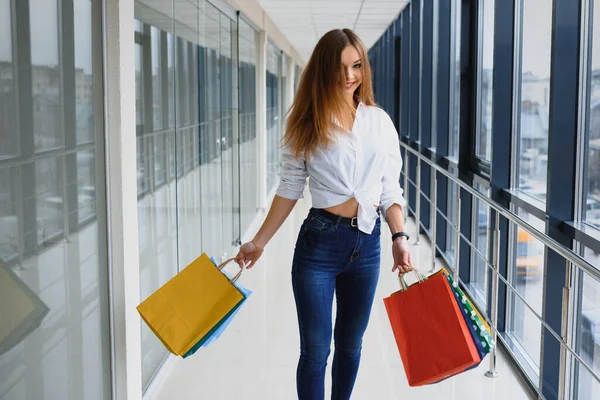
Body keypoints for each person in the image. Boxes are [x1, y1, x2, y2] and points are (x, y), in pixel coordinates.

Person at [235, 28, 412, 400]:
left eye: (357, 66)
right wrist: (258, 242)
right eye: (340, 67)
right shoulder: (307, 122)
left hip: (367, 246)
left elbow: (389, 189)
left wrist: (399, 237)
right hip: (319, 244)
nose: (349, 76)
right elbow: (288, 189)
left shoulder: (379, 122)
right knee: (315, 351)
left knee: (350, 344)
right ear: (323, 70)